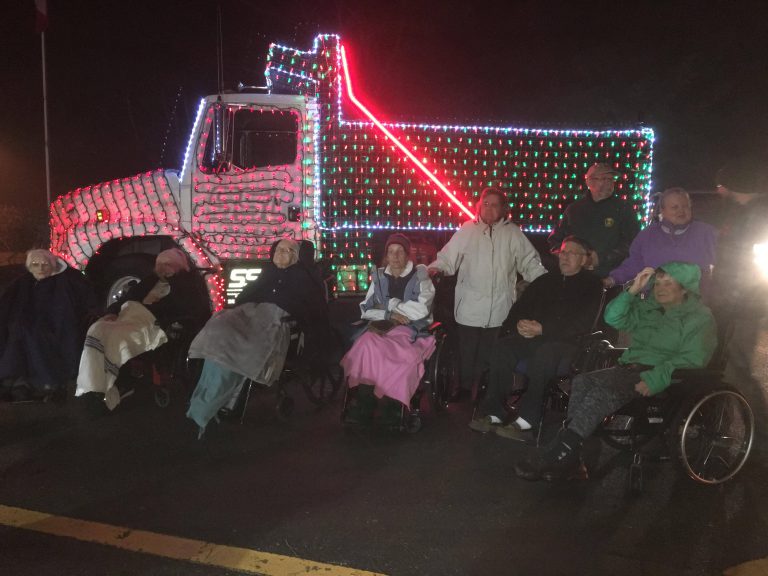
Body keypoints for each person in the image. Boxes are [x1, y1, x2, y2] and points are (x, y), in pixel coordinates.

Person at [515, 262, 717, 481]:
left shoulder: (700, 318)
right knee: (582, 382)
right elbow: (613, 317)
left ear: (685, 287)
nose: (660, 288)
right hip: (630, 369)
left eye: (668, 283)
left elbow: (694, 358)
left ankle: (560, 450)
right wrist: (632, 290)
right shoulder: (649, 309)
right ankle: (571, 458)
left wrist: (656, 377)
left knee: (604, 393)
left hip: (665, 377)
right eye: (657, 282)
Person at [186, 239, 328, 437]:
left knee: (236, 350)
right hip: (250, 313)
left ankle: (209, 406)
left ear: (296, 256)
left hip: (275, 319)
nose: (283, 253)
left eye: (289, 250)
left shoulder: (303, 277)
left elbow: (312, 308)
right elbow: (246, 294)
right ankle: (204, 401)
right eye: (280, 249)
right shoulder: (268, 272)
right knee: (219, 334)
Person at [469, 236, 603, 440]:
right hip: (534, 336)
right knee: (503, 348)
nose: (565, 257)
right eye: (563, 252)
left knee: (545, 354)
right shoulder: (545, 281)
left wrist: (544, 329)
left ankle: (527, 422)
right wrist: (519, 325)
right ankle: (494, 413)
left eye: (572, 253)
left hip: (568, 343)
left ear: (585, 259)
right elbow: (520, 309)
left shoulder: (592, 286)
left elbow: (583, 323)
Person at [428, 188, 547, 399]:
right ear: (479, 206)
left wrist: (547, 282)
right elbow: (448, 258)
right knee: (467, 352)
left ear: (503, 208)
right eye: (486, 204)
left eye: (495, 204)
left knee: (491, 353)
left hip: (500, 307)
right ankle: (464, 389)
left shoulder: (513, 233)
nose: (489, 208)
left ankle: (486, 391)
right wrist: (435, 268)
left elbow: (530, 263)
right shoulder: (467, 231)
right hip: (469, 306)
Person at [76, 248, 210, 410]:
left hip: (150, 322)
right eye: (159, 264)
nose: (162, 268)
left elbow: (185, 306)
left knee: (115, 339)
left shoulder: (187, 285)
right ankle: (93, 382)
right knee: (96, 330)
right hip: (127, 316)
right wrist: (112, 312)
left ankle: (114, 385)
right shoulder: (150, 281)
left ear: (179, 267)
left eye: (167, 264)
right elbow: (128, 297)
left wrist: (174, 278)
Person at [341, 233, 436, 426]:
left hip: (409, 330)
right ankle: (364, 404)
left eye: (400, 252)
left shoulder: (420, 276)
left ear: (408, 254)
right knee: (365, 346)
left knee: (399, 355)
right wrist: (388, 314)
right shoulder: (378, 277)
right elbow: (366, 309)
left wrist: (389, 306)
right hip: (382, 327)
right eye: (391, 252)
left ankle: (391, 406)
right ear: (386, 255)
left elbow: (421, 308)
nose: (395, 256)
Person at [712, 156, 768, 450]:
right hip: (731, 304)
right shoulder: (741, 213)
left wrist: (732, 298)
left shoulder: (758, 216)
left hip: (743, 307)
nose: (719, 191)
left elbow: (750, 269)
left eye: (721, 185)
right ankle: (719, 426)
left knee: (737, 370)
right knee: (724, 367)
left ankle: (759, 438)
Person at [0, 249, 98, 402]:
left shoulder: (67, 279)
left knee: (32, 333)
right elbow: (9, 302)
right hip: (27, 322)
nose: (40, 269)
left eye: (45, 265)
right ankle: (14, 379)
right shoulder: (24, 281)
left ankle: (42, 381)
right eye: (35, 265)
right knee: (16, 331)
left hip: (56, 323)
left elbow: (77, 303)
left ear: (52, 265)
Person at [605, 188, 718, 296]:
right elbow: (634, 263)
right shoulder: (648, 235)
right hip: (654, 304)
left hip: (693, 304)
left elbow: (721, 267)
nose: (681, 211)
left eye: (685, 206)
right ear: (662, 211)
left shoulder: (706, 233)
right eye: (675, 207)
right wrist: (612, 279)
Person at [548, 163, 640, 278]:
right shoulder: (574, 210)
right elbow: (554, 241)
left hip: (608, 277)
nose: (609, 182)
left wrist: (601, 258)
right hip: (575, 277)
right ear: (589, 181)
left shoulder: (623, 209)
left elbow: (633, 243)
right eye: (603, 178)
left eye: (611, 179)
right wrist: (569, 257)